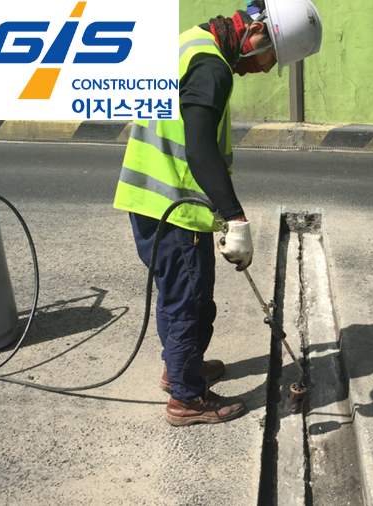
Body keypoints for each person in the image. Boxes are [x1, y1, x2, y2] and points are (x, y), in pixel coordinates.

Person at [113, 0, 322, 426]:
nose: (264, 69)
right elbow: (200, 149)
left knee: (177, 298)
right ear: (258, 34)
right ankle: (187, 399)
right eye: (270, 58)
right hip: (176, 208)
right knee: (190, 306)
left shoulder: (191, 42)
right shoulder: (212, 68)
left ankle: (179, 369)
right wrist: (236, 217)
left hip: (148, 199)